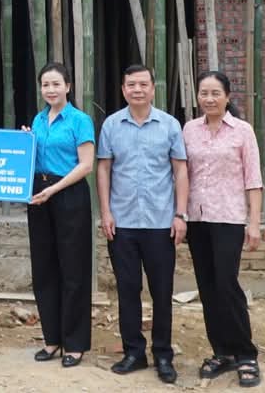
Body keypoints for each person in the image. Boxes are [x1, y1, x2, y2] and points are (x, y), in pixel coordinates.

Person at [96, 64, 188, 384]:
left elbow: (180, 170)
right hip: (122, 223)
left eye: (143, 84)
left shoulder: (169, 125)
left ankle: (163, 354)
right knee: (127, 289)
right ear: (124, 90)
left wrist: (180, 214)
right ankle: (133, 351)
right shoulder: (111, 125)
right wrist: (105, 212)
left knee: (162, 292)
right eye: (131, 85)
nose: (137, 90)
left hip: (161, 223)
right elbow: (104, 169)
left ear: (152, 88)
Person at [182, 70, 263, 388]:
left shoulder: (242, 131)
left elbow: (253, 180)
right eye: (204, 93)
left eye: (216, 93)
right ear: (197, 97)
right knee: (207, 287)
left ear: (227, 97)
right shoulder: (189, 130)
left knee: (227, 284)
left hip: (229, 218)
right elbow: (183, 174)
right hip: (197, 219)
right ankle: (222, 351)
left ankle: (246, 354)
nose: (209, 98)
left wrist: (254, 223)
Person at [26, 62, 95, 368]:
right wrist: (25, 144)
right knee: (44, 268)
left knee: (73, 269)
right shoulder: (38, 120)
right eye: (45, 85)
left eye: (56, 84)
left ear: (68, 86)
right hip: (39, 195)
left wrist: (54, 190)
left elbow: (86, 165)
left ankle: (75, 343)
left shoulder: (80, 120)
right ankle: (52, 339)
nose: (50, 90)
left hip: (69, 194)